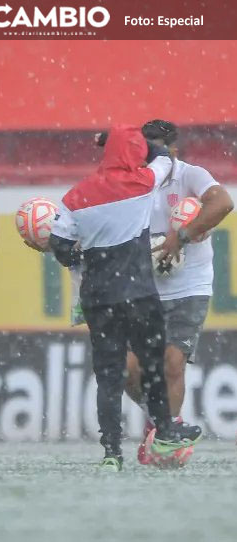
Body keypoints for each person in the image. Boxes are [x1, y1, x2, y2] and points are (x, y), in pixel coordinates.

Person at [38, 125, 200, 471]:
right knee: (153, 370)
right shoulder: (144, 182)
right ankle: (167, 430)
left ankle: (111, 451)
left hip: (99, 297)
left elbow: (60, 245)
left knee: (109, 377)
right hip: (140, 294)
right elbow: (163, 158)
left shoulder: (76, 195)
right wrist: (115, 141)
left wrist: (80, 259)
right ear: (134, 154)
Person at [125, 120, 233, 465]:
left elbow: (223, 203)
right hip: (144, 286)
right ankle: (165, 422)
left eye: (155, 150)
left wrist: (183, 235)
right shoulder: (133, 182)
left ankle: (165, 443)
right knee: (127, 369)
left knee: (172, 364)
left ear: (172, 151)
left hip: (190, 284)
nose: (148, 158)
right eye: (143, 151)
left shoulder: (191, 176)